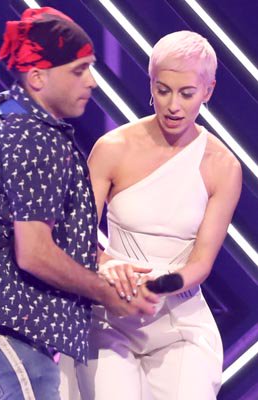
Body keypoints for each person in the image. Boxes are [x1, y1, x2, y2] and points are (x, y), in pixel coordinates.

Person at [0, 7, 159, 400]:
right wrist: (106, 293)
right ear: (38, 77)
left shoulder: (9, 120)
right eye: (79, 70)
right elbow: (34, 252)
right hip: (6, 338)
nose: (92, 82)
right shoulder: (37, 135)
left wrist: (103, 262)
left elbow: (28, 234)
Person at [75, 31, 241, 399]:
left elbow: (201, 264)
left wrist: (157, 286)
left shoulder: (223, 166)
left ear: (208, 90)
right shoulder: (113, 148)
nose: (173, 106)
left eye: (187, 93)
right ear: (151, 83)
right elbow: (77, 237)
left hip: (180, 320)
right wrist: (108, 269)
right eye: (163, 90)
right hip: (111, 313)